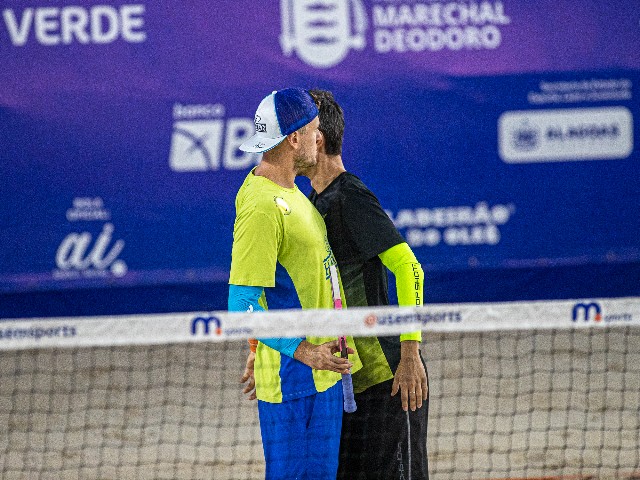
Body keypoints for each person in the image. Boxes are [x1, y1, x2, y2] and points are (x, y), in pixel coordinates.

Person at [229, 87, 362, 480]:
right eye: (314, 130)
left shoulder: (293, 193)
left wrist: (257, 348)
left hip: (322, 378)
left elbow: (280, 287)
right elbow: (242, 305)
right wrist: (301, 351)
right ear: (293, 139)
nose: (319, 138)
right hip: (294, 382)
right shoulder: (261, 207)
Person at [304, 88, 429, 480]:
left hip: (389, 382)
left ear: (317, 138)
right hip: (349, 386)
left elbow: (410, 270)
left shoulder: (350, 197)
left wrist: (410, 355)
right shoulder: (312, 201)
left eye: (296, 131)